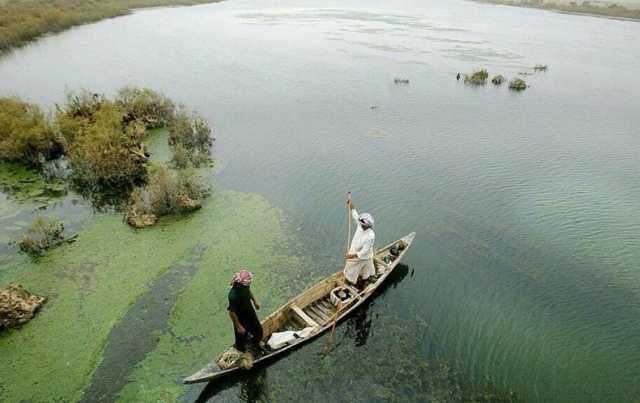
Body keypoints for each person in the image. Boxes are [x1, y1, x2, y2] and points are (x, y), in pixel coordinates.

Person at [228, 269, 263, 352]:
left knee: (259, 331)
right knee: (241, 336)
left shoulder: (245, 286)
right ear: (241, 284)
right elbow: (231, 312)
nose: (249, 284)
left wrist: (255, 301)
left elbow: (248, 291)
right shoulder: (233, 295)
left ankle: (254, 345)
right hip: (240, 317)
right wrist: (239, 326)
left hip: (249, 311)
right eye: (248, 283)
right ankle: (241, 350)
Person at [343, 199, 376, 286]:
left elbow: (364, 251)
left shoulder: (370, 236)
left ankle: (358, 281)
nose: (361, 225)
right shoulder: (361, 223)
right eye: (361, 223)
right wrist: (351, 206)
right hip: (355, 249)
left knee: (356, 270)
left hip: (363, 256)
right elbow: (355, 215)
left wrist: (352, 255)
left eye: (363, 225)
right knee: (352, 266)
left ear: (368, 226)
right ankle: (361, 279)